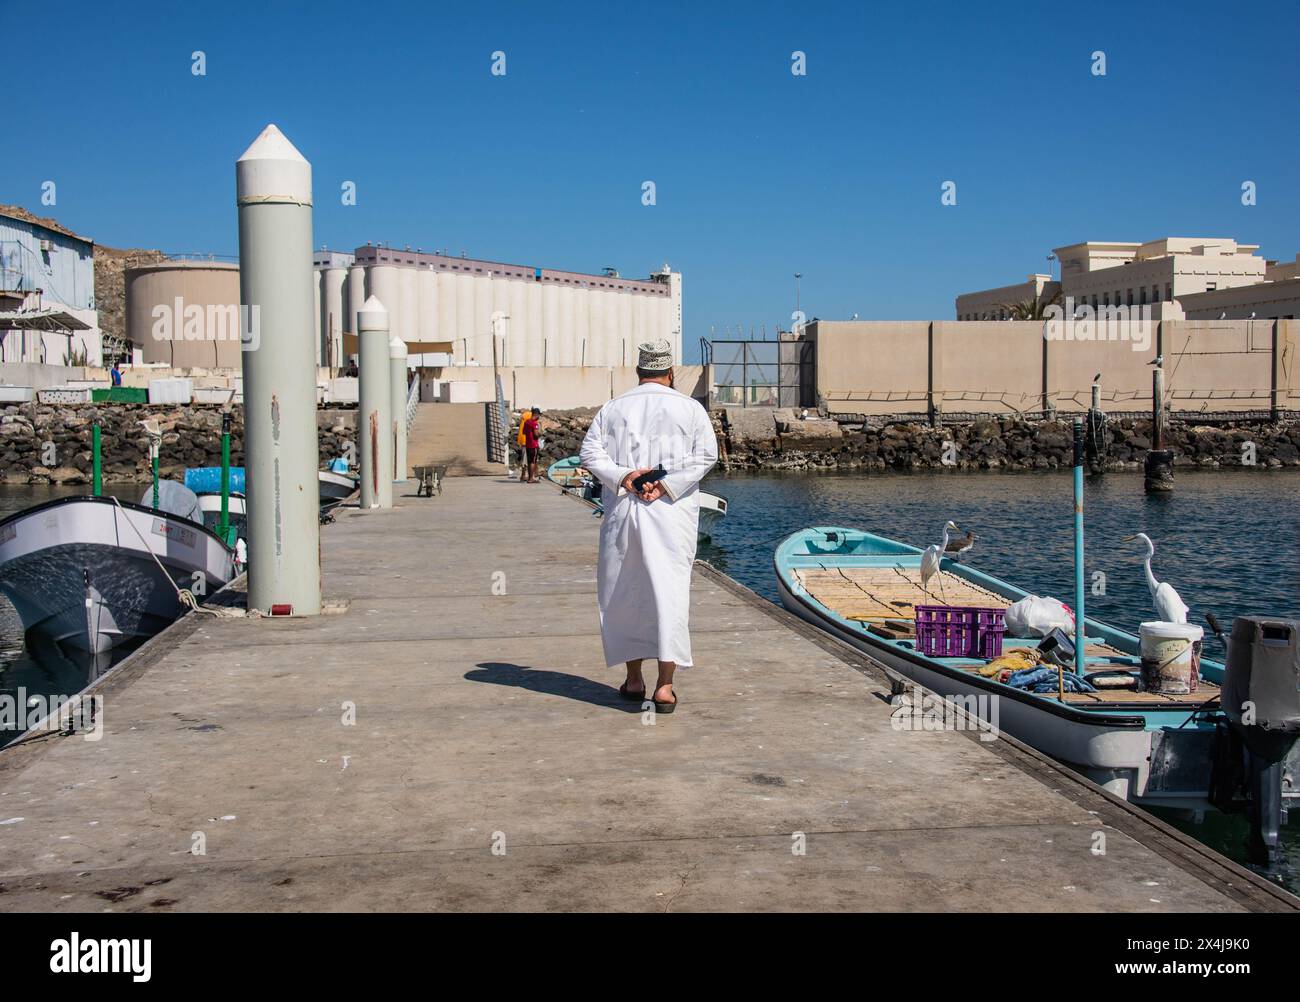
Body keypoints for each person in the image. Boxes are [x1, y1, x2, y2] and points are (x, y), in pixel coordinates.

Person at [579, 339, 718, 713]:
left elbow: (590, 452)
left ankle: (634, 679)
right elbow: (707, 455)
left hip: (625, 510)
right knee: (669, 593)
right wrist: (667, 485)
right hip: (672, 514)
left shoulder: (614, 407)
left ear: (638, 372)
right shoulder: (690, 408)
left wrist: (626, 477)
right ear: (670, 374)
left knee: (625, 592)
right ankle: (665, 687)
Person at [524, 408, 542, 483]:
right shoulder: (534, 423)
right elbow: (536, 434)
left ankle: (530, 477)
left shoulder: (526, 422)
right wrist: (540, 434)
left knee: (529, 461)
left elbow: (524, 432)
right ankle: (531, 478)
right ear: (536, 414)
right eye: (539, 415)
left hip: (528, 444)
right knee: (533, 461)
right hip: (533, 444)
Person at [516, 406, 534, 481]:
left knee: (525, 457)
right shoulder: (529, 416)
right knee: (526, 458)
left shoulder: (524, 416)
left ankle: (524, 475)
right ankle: (524, 475)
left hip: (522, 438)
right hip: (526, 439)